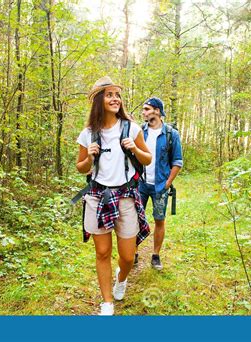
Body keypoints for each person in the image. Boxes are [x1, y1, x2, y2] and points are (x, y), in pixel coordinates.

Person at [76, 76, 152, 316]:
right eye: (109, 95)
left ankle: (122, 278)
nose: (115, 99)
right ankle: (107, 302)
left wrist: (135, 148)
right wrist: (88, 157)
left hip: (127, 195)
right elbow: (80, 167)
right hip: (97, 196)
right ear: (99, 100)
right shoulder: (88, 134)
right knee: (102, 252)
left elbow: (147, 159)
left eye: (117, 95)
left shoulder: (132, 128)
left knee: (128, 256)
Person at [137, 97, 183, 270]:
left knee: (159, 220)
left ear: (157, 111)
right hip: (140, 185)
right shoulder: (140, 131)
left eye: (147, 109)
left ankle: (155, 255)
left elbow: (177, 162)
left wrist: (167, 183)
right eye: (143, 109)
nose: (144, 112)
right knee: (134, 219)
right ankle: (133, 252)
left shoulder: (171, 134)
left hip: (160, 186)